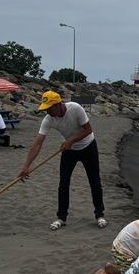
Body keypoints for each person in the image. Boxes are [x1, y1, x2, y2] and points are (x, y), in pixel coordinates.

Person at [18, 91, 106, 229]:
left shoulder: (75, 108)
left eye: (49, 107)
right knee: (63, 183)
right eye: (45, 108)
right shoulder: (48, 119)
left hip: (88, 146)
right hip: (69, 150)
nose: (47, 111)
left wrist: (71, 140)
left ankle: (100, 215)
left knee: (94, 181)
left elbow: (88, 129)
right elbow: (37, 143)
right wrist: (26, 167)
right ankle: (61, 217)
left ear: (58, 105)